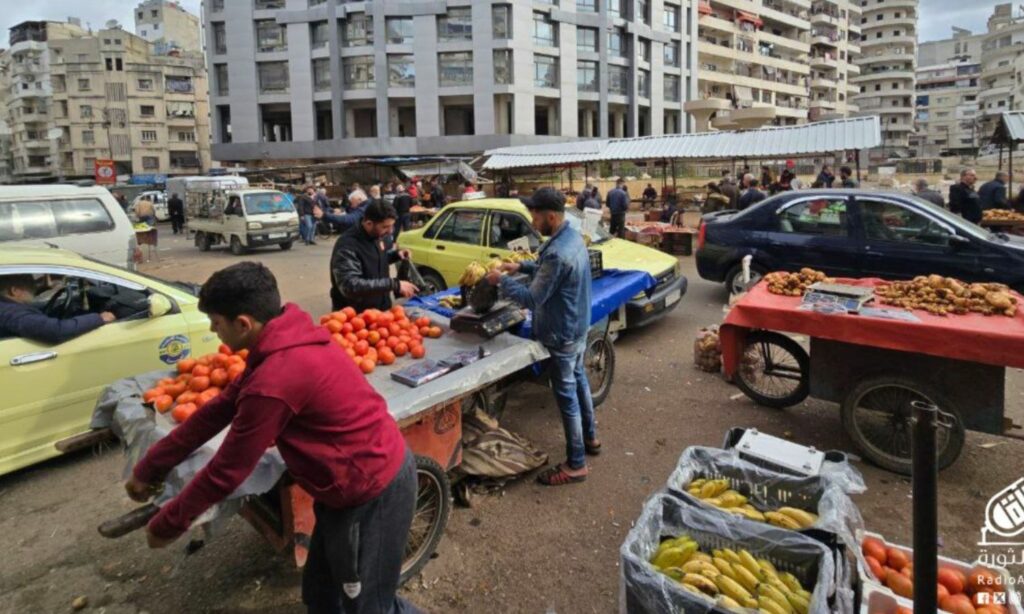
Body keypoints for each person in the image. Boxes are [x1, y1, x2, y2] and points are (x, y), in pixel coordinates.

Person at [123, 262, 419, 614]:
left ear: (243, 324)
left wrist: (168, 524)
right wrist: (150, 467)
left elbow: (227, 470)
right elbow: (219, 409)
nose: (214, 332)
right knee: (322, 595)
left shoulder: (276, 377)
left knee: (369, 607)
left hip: (373, 489)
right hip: (342, 487)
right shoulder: (280, 339)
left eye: (216, 324)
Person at [484, 187, 598, 486]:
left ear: (551, 215)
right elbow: (551, 269)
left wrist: (502, 280)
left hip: (562, 332)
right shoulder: (570, 237)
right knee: (579, 379)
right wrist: (520, 265)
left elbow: (531, 299)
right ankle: (591, 439)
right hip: (578, 324)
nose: (532, 220)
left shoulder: (559, 251)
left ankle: (576, 465)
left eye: (535, 214)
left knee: (566, 397)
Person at [330, 200, 418, 312]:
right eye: (385, 227)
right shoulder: (347, 245)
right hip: (356, 315)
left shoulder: (377, 235)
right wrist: (394, 284)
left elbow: (375, 259)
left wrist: (396, 255)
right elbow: (350, 285)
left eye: (392, 226)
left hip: (380, 308)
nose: (390, 231)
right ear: (369, 224)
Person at [0, 274, 115, 343]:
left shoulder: (6, 304)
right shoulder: (13, 314)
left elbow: (28, 299)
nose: (34, 289)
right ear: (14, 291)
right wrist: (99, 318)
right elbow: (58, 331)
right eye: (31, 287)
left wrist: (42, 287)